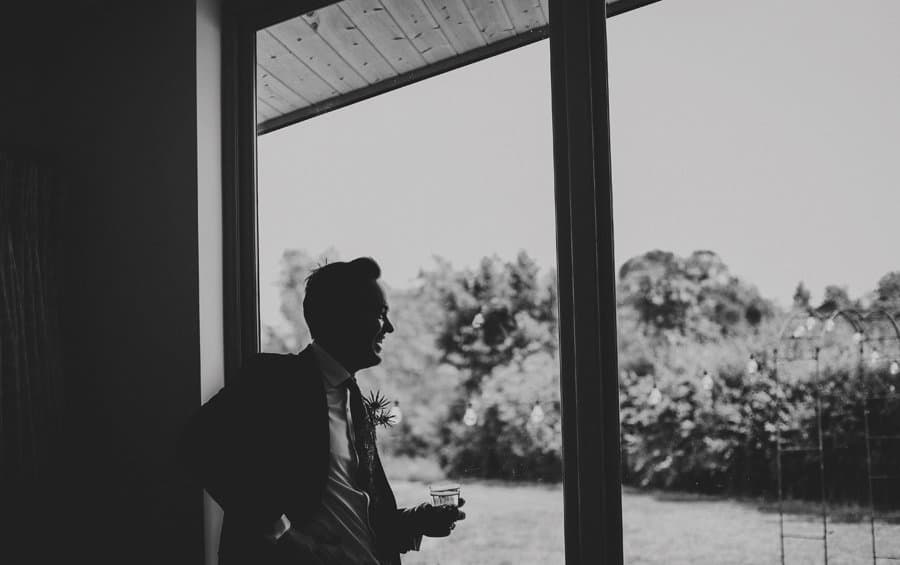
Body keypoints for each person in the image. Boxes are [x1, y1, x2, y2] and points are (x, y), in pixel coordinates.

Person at [178, 257, 465, 564]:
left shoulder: (356, 404)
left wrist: (418, 521)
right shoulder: (274, 379)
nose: (390, 328)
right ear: (344, 316)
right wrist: (280, 531)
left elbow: (353, 515)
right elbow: (195, 444)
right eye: (381, 315)